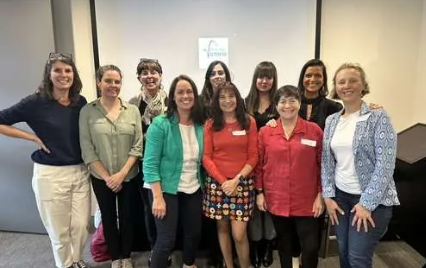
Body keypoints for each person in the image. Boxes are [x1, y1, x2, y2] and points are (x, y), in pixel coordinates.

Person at [0, 53, 90, 268]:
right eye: (57, 70)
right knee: (59, 230)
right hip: (50, 175)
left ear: (73, 74)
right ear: (49, 74)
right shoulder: (35, 102)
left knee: (81, 225)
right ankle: (65, 265)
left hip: (79, 171)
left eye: (68, 70)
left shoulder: (80, 102)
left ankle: (77, 260)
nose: (63, 75)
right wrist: (31, 137)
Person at [322, 63, 400, 268]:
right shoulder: (332, 120)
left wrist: (367, 203)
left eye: (353, 80)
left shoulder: (378, 117)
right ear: (335, 87)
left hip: (369, 201)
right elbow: (327, 161)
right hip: (340, 198)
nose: (347, 86)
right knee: (343, 252)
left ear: (363, 85)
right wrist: (328, 196)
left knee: (358, 258)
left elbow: (386, 164)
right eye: (341, 82)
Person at [79, 65, 143, 268]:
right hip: (101, 177)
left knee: (127, 218)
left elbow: (138, 145)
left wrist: (121, 174)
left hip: (129, 175)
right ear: (99, 82)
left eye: (117, 81)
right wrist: (108, 177)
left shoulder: (132, 110)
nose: (113, 85)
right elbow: (87, 149)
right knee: (107, 218)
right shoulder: (88, 111)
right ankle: (115, 258)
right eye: (108, 80)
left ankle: (126, 256)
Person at [256, 85, 324, 268]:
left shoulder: (314, 130)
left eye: (292, 100)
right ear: (276, 106)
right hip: (277, 198)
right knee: (284, 244)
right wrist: (260, 192)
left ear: (300, 103)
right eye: (283, 101)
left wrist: (320, 195)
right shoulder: (265, 132)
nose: (288, 105)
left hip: (308, 200)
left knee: (310, 248)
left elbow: (322, 165)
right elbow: (259, 165)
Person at [143, 75, 205, 268]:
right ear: (173, 97)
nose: (185, 96)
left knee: (194, 232)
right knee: (166, 239)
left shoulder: (201, 125)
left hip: (193, 186)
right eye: (180, 92)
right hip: (164, 187)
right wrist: (158, 197)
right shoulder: (161, 124)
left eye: (189, 91)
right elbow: (150, 164)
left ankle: (188, 264)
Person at [203, 82, 258, 268]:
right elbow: (206, 158)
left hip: (242, 183)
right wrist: (223, 182)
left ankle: (245, 265)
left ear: (238, 98)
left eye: (231, 96)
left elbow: (253, 156)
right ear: (217, 101)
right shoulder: (211, 125)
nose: (227, 101)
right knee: (223, 227)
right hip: (217, 184)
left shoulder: (249, 122)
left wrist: (236, 180)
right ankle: (229, 264)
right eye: (222, 97)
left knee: (239, 233)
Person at [129, 58, 170, 266]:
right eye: (144, 72)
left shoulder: (171, 101)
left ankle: (167, 247)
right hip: (145, 164)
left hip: (169, 164)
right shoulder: (133, 104)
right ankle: (155, 247)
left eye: (154, 71)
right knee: (150, 208)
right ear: (139, 78)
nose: (149, 75)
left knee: (169, 207)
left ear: (161, 76)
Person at [244, 61, 278, 268]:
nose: (264, 81)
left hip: (274, 166)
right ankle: (256, 247)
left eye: (268, 77)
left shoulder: (280, 103)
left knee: (271, 207)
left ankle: (267, 246)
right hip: (250, 164)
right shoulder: (245, 102)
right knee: (254, 209)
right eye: (260, 77)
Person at [199, 60, 232, 268]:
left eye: (221, 72)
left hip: (229, 165)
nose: (218, 76)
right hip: (205, 161)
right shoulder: (201, 102)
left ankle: (230, 255)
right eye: (213, 73)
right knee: (212, 214)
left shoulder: (234, 99)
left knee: (228, 217)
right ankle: (214, 254)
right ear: (208, 78)